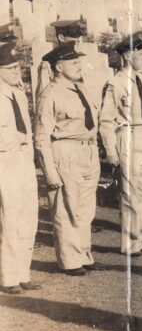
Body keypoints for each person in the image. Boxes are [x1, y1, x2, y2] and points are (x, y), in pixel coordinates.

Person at [35, 41, 101, 274]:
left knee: (85, 209)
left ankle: (83, 254)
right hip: (65, 152)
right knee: (66, 207)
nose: (79, 66)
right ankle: (70, 260)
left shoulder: (80, 88)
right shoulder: (50, 94)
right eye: (74, 63)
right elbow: (41, 137)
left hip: (87, 151)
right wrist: (49, 171)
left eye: (79, 62)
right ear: (59, 67)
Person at [99, 34, 142, 256]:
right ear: (127, 55)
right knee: (129, 192)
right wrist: (110, 150)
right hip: (128, 134)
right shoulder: (115, 83)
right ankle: (130, 243)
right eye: (139, 53)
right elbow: (106, 119)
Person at [0, 40, 40, 293]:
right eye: (11, 68)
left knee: (29, 217)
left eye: (17, 67)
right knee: (10, 217)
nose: (17, 72)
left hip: (24, 159)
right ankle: (9, 277)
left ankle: (24, 272)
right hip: (5, 161)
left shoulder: (19, 94)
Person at [35, 20, 84, 102]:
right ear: (61, 38)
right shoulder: (47, 65)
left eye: (78, 41)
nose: (77, 45)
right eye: (74, 42)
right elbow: (43, 97)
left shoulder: (78, 59)